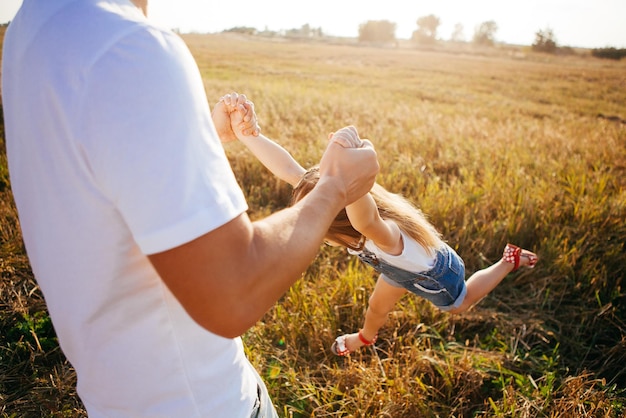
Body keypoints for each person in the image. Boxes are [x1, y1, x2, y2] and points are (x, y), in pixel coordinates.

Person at [1, 1, 378, 417]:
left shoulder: (32, 27)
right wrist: (333, 187)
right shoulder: (130, 46)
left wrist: (199, 138)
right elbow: (232, 291)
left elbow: (98, 187)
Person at [218, 93, 538, 358]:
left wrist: (349, 170)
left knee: (460, 303)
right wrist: (249, 136)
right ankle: (365, 338)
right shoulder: (362, 232)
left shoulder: (382, 234)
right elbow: (289, 170)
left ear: (337, 222)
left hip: (435, 274)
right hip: (398, 269)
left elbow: (365, 216)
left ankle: (508, 261)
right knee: (376, 307)